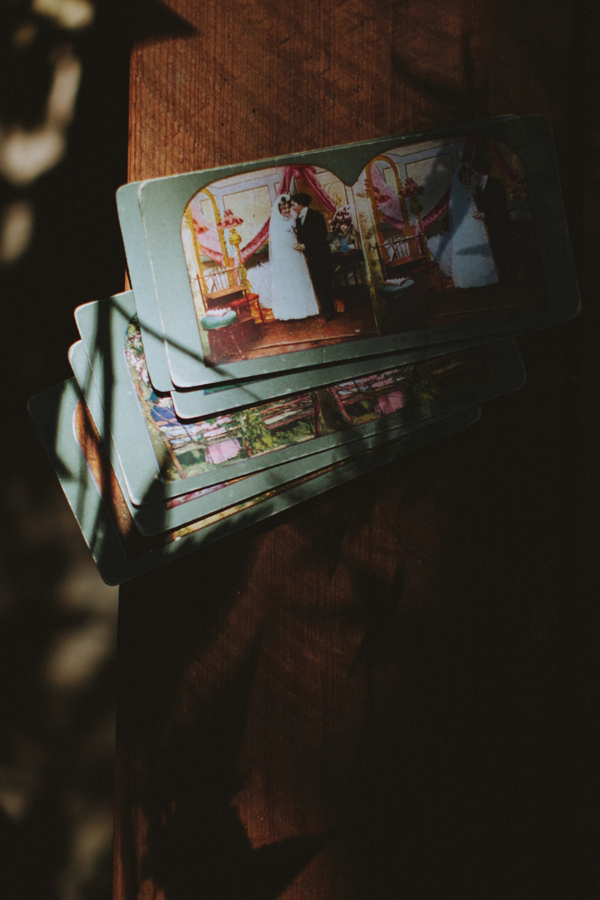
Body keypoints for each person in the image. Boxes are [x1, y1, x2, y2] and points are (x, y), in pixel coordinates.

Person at [267, 194, 320, 321]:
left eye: (288, 208)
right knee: (289, 282)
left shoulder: (293, 219)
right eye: (283, 208)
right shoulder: (276, 223)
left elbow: (299, 234)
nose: (286, 210)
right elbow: (276, 244)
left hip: (296, 253)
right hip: (285, 256)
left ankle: (306, 309)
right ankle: (291, 312)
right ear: (279, 210)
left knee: (300, 278)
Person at [448, 163, 499, 288]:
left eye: (467, 177)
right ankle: (472, 281)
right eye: (463, 178)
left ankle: (485, 278)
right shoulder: (457, 195)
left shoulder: (472, 189)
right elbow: (457, 214)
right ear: (459, 179)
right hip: (465, 228)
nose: (466, 179)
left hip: (476, 224)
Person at [290, 192, 336, 321]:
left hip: (321, 256)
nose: (293, 208)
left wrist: (306, 246)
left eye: (294, 204)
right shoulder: (298, 220)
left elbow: (321, 237)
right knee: (317, 284)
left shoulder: (316, 216)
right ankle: (326, 310)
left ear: (300, 204)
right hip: (311, 258)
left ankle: (330, 312)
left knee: (325, 284)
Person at [471, 158, 515, 283]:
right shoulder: (478, 189)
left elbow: (501, 203)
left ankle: (512, 279)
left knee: (505, 251)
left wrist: (485, 214)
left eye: (474, 173)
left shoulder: (496, 183)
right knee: (497, 253)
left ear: (480, 172)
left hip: (501, 224)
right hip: (490, 226)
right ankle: (506, 279)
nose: (474, 176)